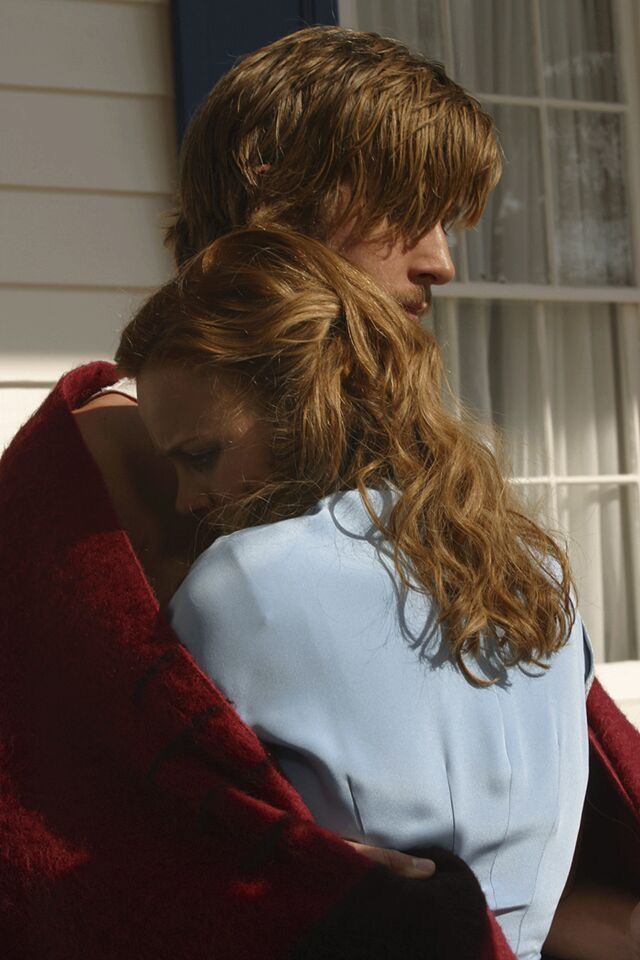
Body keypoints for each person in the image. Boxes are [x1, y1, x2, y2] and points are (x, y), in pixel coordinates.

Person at [1, 24, 638, 960]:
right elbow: (81, 826)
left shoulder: (410, 482)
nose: (441, 261)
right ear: (279, 201)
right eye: (404, 212)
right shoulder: (109, 467)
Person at [114, 224, 639, 960]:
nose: (185, 500)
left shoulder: (240, 586)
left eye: (202, 456)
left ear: (304, 404)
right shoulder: (535, 567)